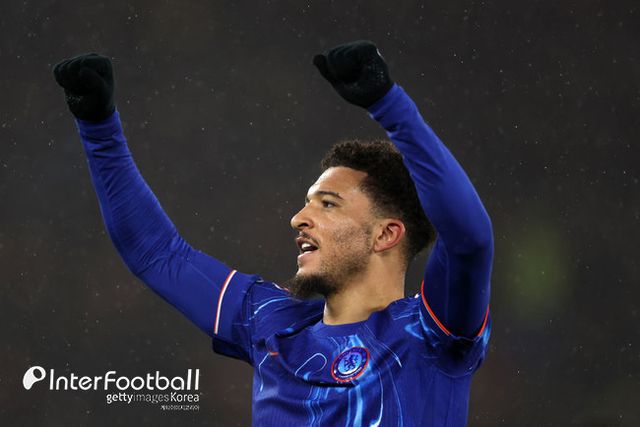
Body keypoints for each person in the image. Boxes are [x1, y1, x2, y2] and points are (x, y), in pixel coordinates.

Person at [53, 40, 493, 426]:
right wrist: (99, 129)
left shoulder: (429, 333)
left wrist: (390, 107)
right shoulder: (272, 322)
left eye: (328, 204)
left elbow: (469, 239)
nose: (298, 218)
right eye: (307, 202)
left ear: (385, 235)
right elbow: (155, 253)